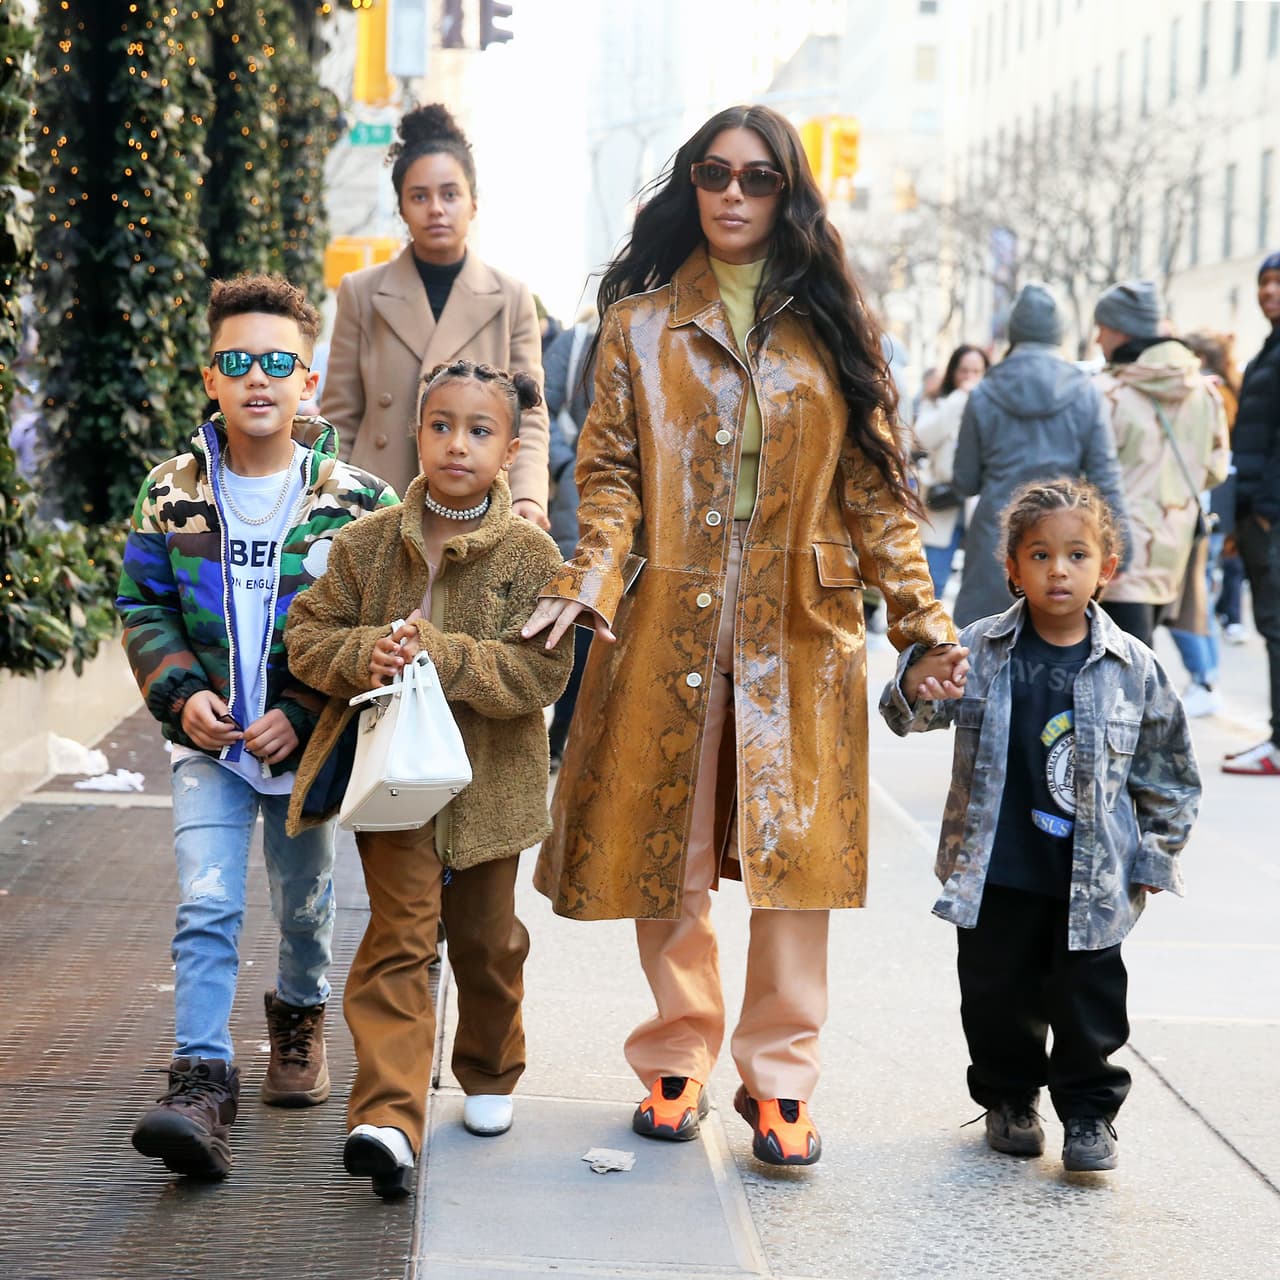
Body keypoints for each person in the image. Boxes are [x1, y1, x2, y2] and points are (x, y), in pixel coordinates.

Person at [521, 104, 964, 1167]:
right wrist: (589, 579)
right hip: (665, 616)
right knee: (663, 848)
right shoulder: (633, 324)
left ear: (786, 193)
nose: (730, 193)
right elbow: (611, 479)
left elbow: (877, 494)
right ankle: (675, 1056)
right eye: (712, 173)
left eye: (756, 178)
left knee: (792, 862)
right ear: (689, 183)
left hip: (801, 629)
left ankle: (780, 1084)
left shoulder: (835, 326)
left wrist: (921, 622)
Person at [117, 274, 396, 1178]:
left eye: (279, 362)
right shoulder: (172, 493)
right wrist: (181, 695)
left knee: (305, 907)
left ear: (308, 379)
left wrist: (305, 710)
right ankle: (200, 1082)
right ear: (211, 376)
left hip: (306, 747)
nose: (259, 379)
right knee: (206, 902)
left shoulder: (358, 502)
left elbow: (378, 628)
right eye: (238, 362)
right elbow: (143, 605)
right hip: (208, 746)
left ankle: (299, 1016)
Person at [285, 360, 573, 1199]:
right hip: (393, 786)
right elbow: (308, 636)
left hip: (490, 790)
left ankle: (487, 1069)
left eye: (479, 430)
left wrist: (444, 657)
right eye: (441, 425)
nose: (458, 444)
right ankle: (387, 1117)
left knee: (488, 944)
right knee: (398, 943)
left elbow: (541, 677)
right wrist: (361, 654)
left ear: (510, 449)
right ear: (417, 432)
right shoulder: (371, 542)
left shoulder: (530, 554)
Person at [881, 477, 1200, 1173]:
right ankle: (1010, 1100)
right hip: (997, 872)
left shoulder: (1134, 667)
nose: (1060, 569)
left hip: (1091, 880)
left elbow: (1169, 774)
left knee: (1090, 1010)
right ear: (1013, 568)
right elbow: (908, 714)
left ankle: (1088, 1116)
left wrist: (1152, 863)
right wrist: (915, 682)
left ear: (1106, 570)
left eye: (1078, 555)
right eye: (1041, 555)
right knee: (995, 1000)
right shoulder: (981, 649)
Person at [321, 103, 550, 529]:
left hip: (477, 506)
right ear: (402, 209)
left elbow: (530, 413)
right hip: (376, 507)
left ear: (473, 203)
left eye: (450, 194)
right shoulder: (362, 292)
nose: (436, 209)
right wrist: (330, 507)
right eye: (419, 196)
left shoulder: (512, 297)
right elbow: (340, 418)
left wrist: (529, 496)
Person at [951, 283, 1131, 627]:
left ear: (1015, 332)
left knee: (989, 645)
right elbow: (1105, 475)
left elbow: (965, 480)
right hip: (1064, 538)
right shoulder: (1085, 392)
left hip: (998, 538)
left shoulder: (984, 393)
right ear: (1057, 333)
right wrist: (1124, 548)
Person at [1091, 281, 1229, 652]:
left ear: (1120, 330)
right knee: (1142, 664)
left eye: (1101, 328)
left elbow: (1085, 474)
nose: (1097, 339)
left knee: (1116, 675)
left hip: (1116, 552)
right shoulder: (1206, 392)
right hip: (1174, 550)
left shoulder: (1106, 392)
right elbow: (1216, 468)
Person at [1221, 252, 1280, 775]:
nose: (1269, 291)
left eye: (1277, 283)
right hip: (1258, 514)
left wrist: (1262, 510)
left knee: (1276, 625)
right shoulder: (1269, 348)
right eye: (1264, 282)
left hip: (1271, 516)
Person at [542, 308, 599, 768]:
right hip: (577, 499)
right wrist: (566, 466)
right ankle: (561, 734)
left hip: (654, 502)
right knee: (580, 615)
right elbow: (541, 406)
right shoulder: (579, 341)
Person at [914, 344, 990, 597]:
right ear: (953, 372)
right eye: (964, 370)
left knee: (976, 585)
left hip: (978, 505)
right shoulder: (939, 401)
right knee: (934, 579)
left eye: (976, 371)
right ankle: (927, 636)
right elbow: (922, 437)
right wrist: (958, 400)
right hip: (942, 501)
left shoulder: (994, 407)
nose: (969, 377)